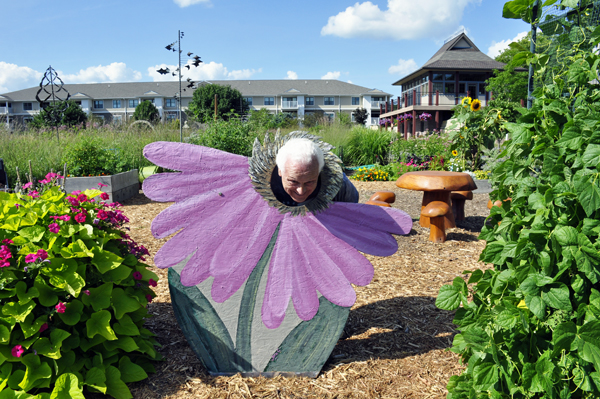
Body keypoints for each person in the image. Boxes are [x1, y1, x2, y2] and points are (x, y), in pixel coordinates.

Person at [270, 138, 358, 206]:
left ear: (319, 171)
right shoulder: (260, 192)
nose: (301, 191)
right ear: (280, 171)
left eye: (309, 182)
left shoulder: (342, 186)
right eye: (293, 181)